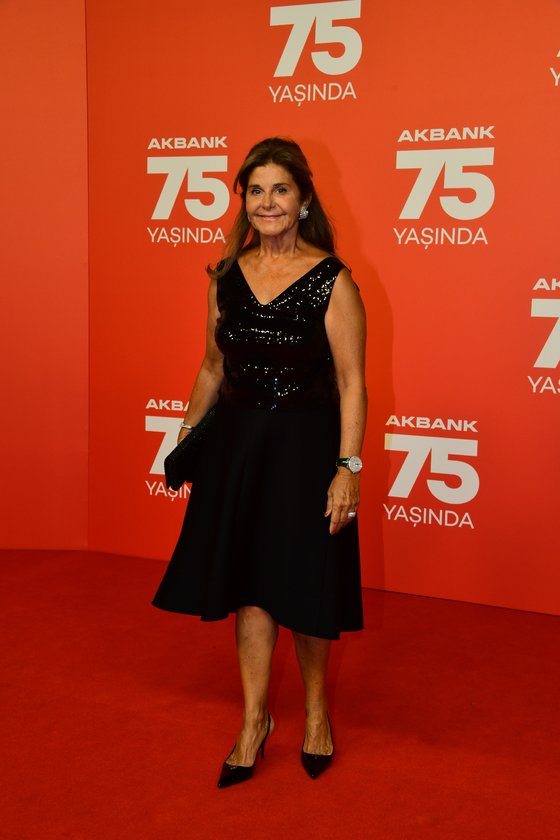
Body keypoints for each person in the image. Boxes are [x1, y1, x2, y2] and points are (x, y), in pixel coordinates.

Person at [152, 137, 367, 788]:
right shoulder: (225, 276)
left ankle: (316, 712)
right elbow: (212, 366)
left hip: (306, 452)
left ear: (303, 201)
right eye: (256, 191)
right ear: (243, 200)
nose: (267, 202)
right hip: (238, 451)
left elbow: (353, 382)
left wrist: (348, 468)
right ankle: (253, 721)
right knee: (249, 588)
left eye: (280, 189)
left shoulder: (333, 280)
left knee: (304, 586)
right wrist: (184, 436)